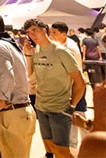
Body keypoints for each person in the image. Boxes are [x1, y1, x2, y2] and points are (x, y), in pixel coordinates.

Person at [24, 18, 86, 158]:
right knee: (50, 149)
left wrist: (72, 106)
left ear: (44, 30)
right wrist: (28, 54)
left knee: (62, 152)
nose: (32, 35)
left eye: (35, 31)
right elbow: (30, 74)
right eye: (29, 32)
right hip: (41, 106)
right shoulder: (36, 50)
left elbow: (80, 82)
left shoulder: (61, 51)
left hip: (60, 109)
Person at [0, 12, 35, 158]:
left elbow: (7, 75)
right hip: (16, 113)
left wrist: (0, 102)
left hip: (11, 114)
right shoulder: (10, 44)